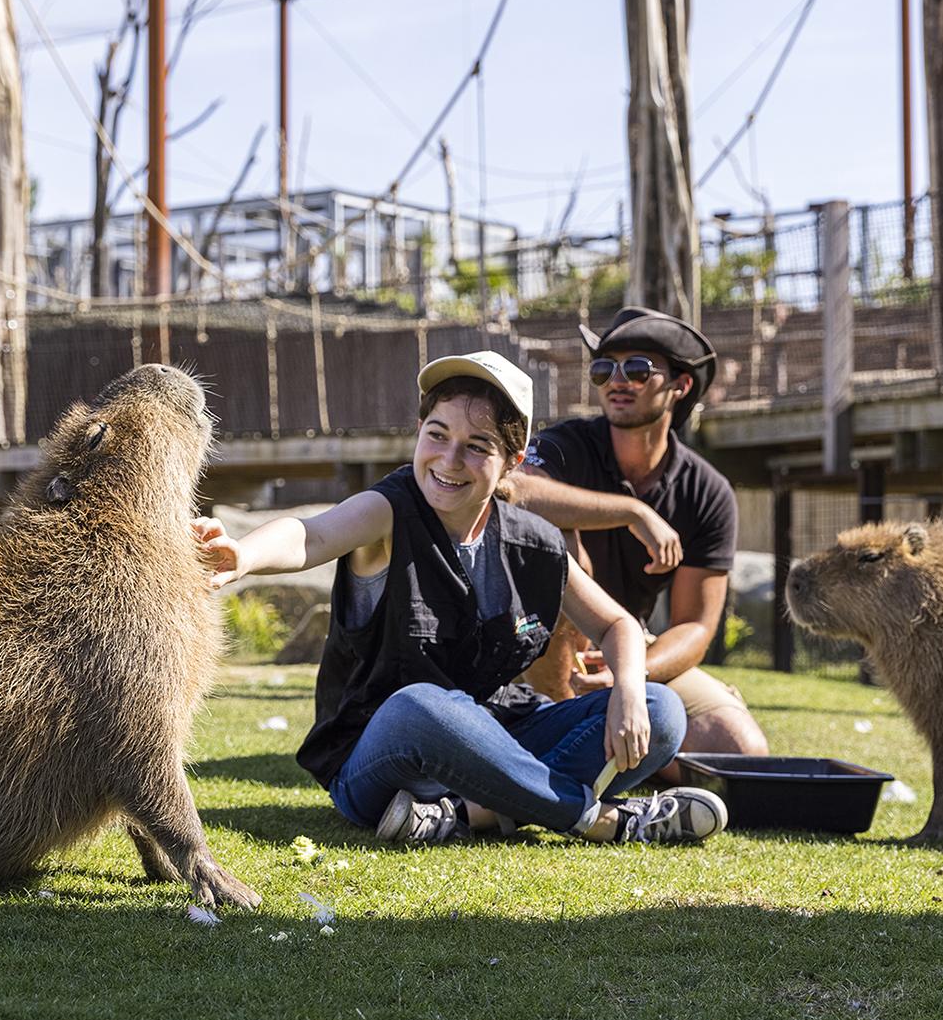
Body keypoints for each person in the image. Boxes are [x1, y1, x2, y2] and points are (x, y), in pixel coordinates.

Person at [195, 350, 727, 846]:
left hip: (491, 738)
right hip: (381, 757)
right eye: (437, 434)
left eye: (477, 446)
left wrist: (629, 691)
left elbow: (618, 625)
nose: (449, 459)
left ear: (512, 461)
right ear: (419, 434)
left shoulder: (532, 541)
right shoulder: (388, 511)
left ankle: (471, 813)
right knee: (423, 705)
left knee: (662, 711)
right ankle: (596, 818)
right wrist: (243, 554)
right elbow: (310, 534)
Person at [510, 307, 770, 779]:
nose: (616, 380)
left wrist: (628, 676)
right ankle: (564, 731)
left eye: (637, 368)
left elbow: (694, 626)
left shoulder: (707, 491)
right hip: (534, 643)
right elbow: (517, 490)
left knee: (740, 754)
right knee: (560, 539)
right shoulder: (568, 444)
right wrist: (633, 511)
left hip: (630, 655)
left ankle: (600, 747)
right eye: (603, 368)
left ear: (681, 385)